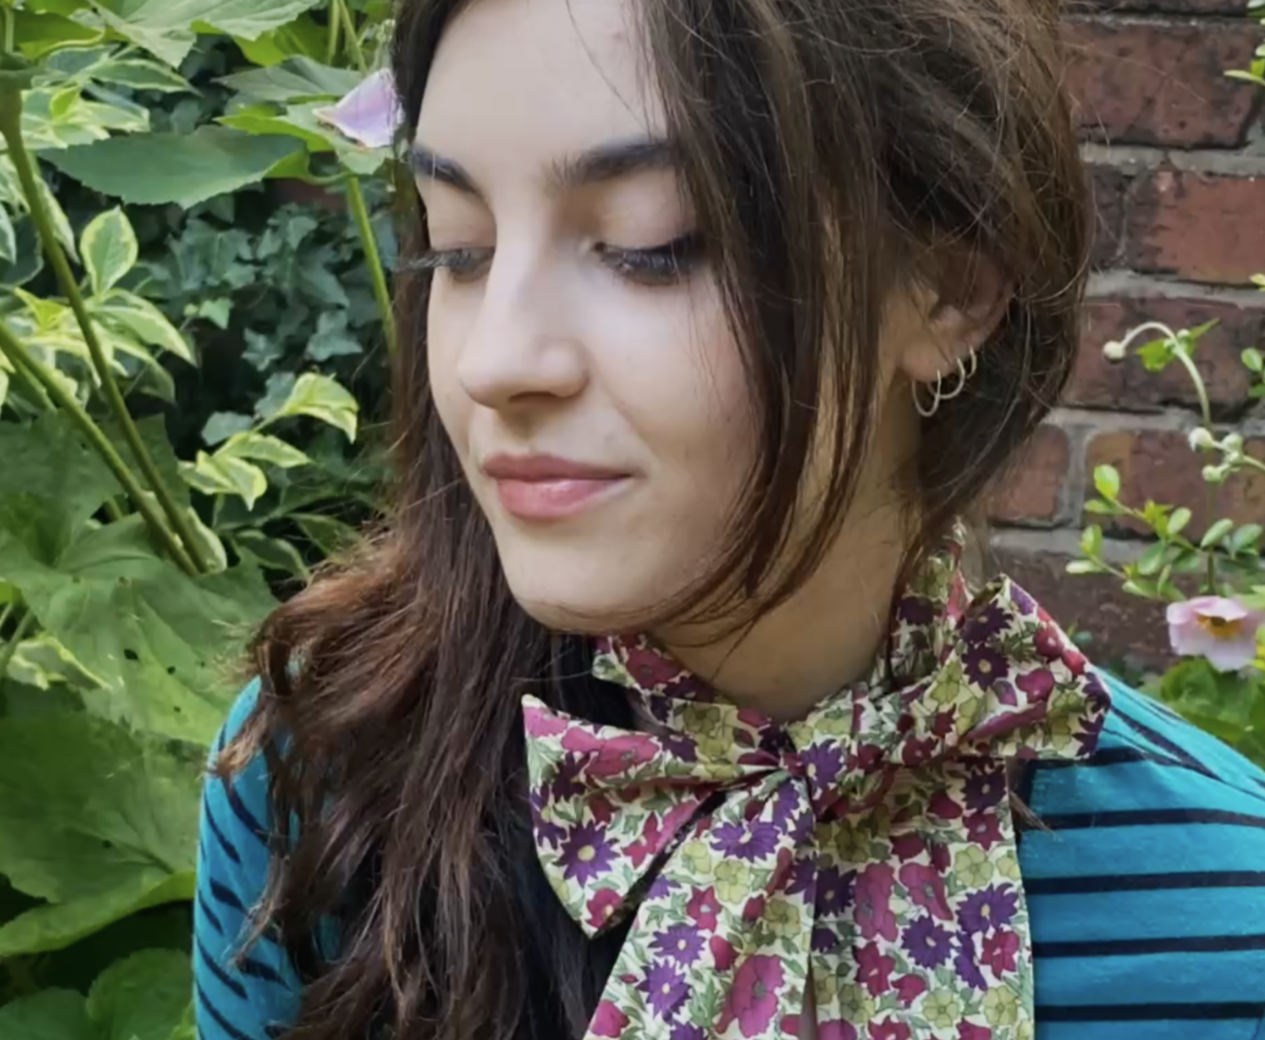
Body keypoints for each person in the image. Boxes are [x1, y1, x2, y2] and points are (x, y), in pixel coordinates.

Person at [192, 0, 1265, 1037]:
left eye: (650, 243)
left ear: (944, 288)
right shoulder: (324, 782)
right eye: (458, 246)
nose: (494, 359)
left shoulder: (1224, 925)